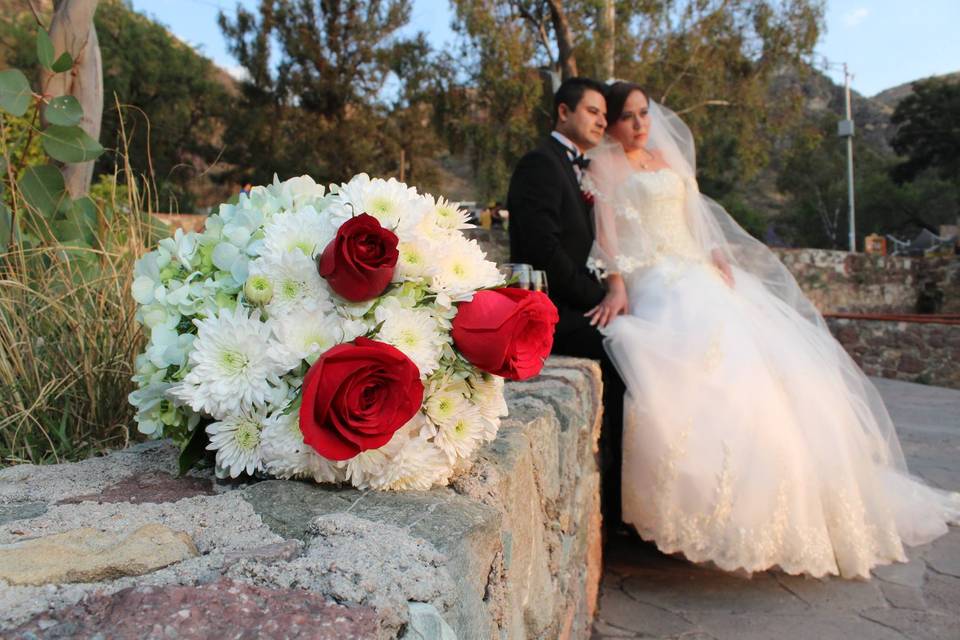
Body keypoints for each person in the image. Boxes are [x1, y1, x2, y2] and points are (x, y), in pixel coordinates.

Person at [584, 81, 960, 578]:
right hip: (653, 277)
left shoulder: (665, 157)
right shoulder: (603, 165)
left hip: (697, 270)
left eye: (644, 114)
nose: (640, 124)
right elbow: (607, 237)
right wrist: (616, 285)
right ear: (609, 122)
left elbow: (695, 217)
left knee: (757, 373)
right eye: (628, 116)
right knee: (690, 377)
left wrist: (716, 254)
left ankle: (789, 504)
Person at [507, 77, 628, 525]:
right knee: (625, 349)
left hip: (575, 305)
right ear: (563, 112)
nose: (601, 120)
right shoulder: (540, 164)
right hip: (550, 311)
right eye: (593, 111)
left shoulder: (579, 168)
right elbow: (545, 255)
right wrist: (601, 298)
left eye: (603, 114)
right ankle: (615, 507)